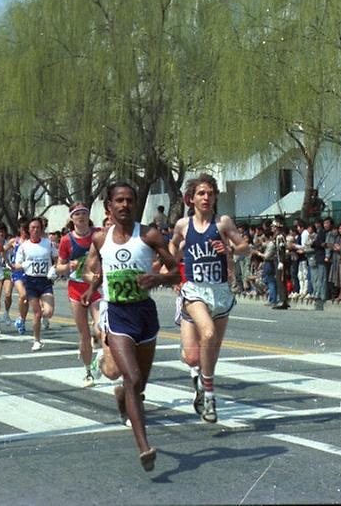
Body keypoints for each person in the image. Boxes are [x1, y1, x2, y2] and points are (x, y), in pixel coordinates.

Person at [81, 182, 180, 472]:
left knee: (139, 384)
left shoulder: (149, 234)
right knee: (133, 378)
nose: (124, 205)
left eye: (129, 201)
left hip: (145, 314)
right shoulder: (100, 239)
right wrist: (93, 288)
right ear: (109, 207)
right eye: (119, 201)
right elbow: (103, 269)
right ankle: (144, 447)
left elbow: (176, 272)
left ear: (135, 205)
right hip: (117, 314)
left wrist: (157, 279)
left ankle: (123, 399)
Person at [169, 174, 249, 423]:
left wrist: (230, 250)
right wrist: (173, 269)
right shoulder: (183, 225)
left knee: (206, 354)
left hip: (220, 292)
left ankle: (203, 388)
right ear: (191, 198)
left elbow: (245, 246)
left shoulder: (223, 222)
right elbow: (172, 247)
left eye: (210, 193)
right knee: (206, 337)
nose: (206, 197)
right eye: (201, 193)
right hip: (194, 290)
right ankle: (211, 398)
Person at [57, 203, 106, 386]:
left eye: (84, 213)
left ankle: (100, 358)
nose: (81, 217)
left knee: (102, 328)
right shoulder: (66, 240)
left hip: (96, 288)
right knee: (84, 333)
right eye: (77, 214)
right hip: (76, 289)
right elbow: (59, 267)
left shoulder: (98, 234)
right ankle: (88, 372)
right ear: (72, 218)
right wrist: (68, 266)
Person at [13, 217, 57, 351]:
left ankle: (44, 320)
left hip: (45, 281)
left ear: (42, 229)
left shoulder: (48, 244)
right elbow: (17, 265)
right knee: (37, 313)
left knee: (48, 312)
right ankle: (37, 340)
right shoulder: (24, 246)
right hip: (31, 282)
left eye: (38, 227)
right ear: (28, 230)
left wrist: (54, 268)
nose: (35, 230)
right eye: (33, 228)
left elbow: (57, 258)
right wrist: (23, 265)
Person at [4, 218, 30, 334]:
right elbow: (2, 250)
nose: (25, 232)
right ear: (19, 229)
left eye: (26, 229)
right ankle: (20, 318)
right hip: (17, 272)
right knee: (23, 295)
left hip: (29, 271)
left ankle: (22, 320)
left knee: (26, 299)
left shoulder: (32, 242)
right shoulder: (15, 241)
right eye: (23, 229)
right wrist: (8, 262)